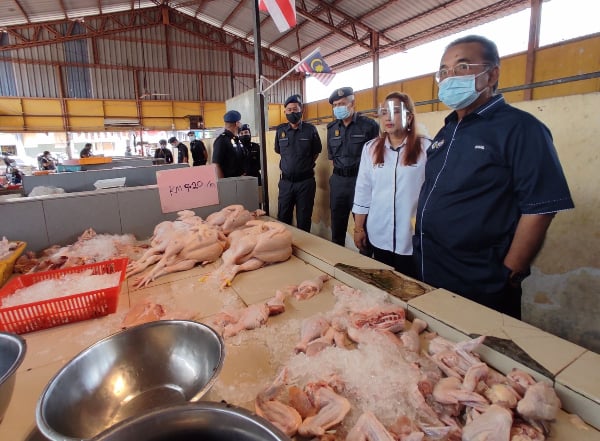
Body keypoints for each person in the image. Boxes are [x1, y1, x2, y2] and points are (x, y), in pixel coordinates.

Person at [413, 35, 574, 319]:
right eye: (444, 71)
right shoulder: (446, 130)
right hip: (431, 267)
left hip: (481, 280)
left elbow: (541, 208)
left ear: (493, 74)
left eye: (462, 67)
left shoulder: (521, 128)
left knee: (479, 355)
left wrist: (510, 271)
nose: (450, 78)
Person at [352, 92, 429, 278]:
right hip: (378, 233)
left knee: (410, 288)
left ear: (409, 117)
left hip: (411, 237)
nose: (388, 116)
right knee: (382, 286)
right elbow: (363, 190)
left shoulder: (427, 148)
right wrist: (358, 228)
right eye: (384, 112)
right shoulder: (370, 148)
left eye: (395, 111)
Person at [327, 87, 379, 249]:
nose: (338, 108)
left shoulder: (369, 126)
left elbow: (376, 158)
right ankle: (338, 261)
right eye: (335, 105)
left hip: (360, 183)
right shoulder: (331, 129)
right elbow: (332, 159)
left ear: (352, 103)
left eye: (342, 103)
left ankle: (365, 263)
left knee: (363, 229)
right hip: (338, 182)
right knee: (337, 226)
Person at [274, 94, 322, 232]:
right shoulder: (280, 130)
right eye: (289, 110)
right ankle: (284, 247)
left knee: (304, 219)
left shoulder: (310, 130)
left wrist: (303, 165)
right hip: (286, 183)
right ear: (285, 112)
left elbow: (316, 151)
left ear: (302, 110)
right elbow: (279, 151)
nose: (292, 112)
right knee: (283, 218)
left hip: (305, 183)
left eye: (295, 109)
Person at [212, 110, 246, 179]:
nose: (240, 125)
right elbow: (216, 164)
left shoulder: (236, 139)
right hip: (229, 182)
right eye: (239, 122)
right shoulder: (222, 140)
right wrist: (223, 184)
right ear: (237, 123)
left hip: (240, 180)